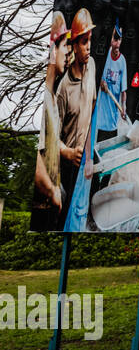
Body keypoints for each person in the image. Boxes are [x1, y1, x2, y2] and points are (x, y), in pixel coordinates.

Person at [54, 7, 98, 228]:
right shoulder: (63, 88)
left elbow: (92, 107)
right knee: (66, 221)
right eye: (83, 41)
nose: (88, 46)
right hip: (69, 167)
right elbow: (52, 136)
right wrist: (69, 152)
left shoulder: (93, 68)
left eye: (90, 40)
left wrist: (89, 153)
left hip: (87, 163)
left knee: (83, 216)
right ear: (73, 45)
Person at [32, 12, 70, 231]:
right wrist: (53, 190)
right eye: (64, 46)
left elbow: (50, 141)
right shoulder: (44, 99)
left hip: (51, 207)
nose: (68, 53)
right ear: (52, 50)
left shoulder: (52, 97)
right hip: (42, 208)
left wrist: (66, 151)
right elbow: (38, 159)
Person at [94, 21, 128, 145]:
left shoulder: (122, 61)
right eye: (115, 38)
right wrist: (100, 82)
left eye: (120, 39)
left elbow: (123, 90)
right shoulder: (104, 54)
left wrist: (123, 107)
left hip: (112, 120)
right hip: (100, 118)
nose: (117, 42)